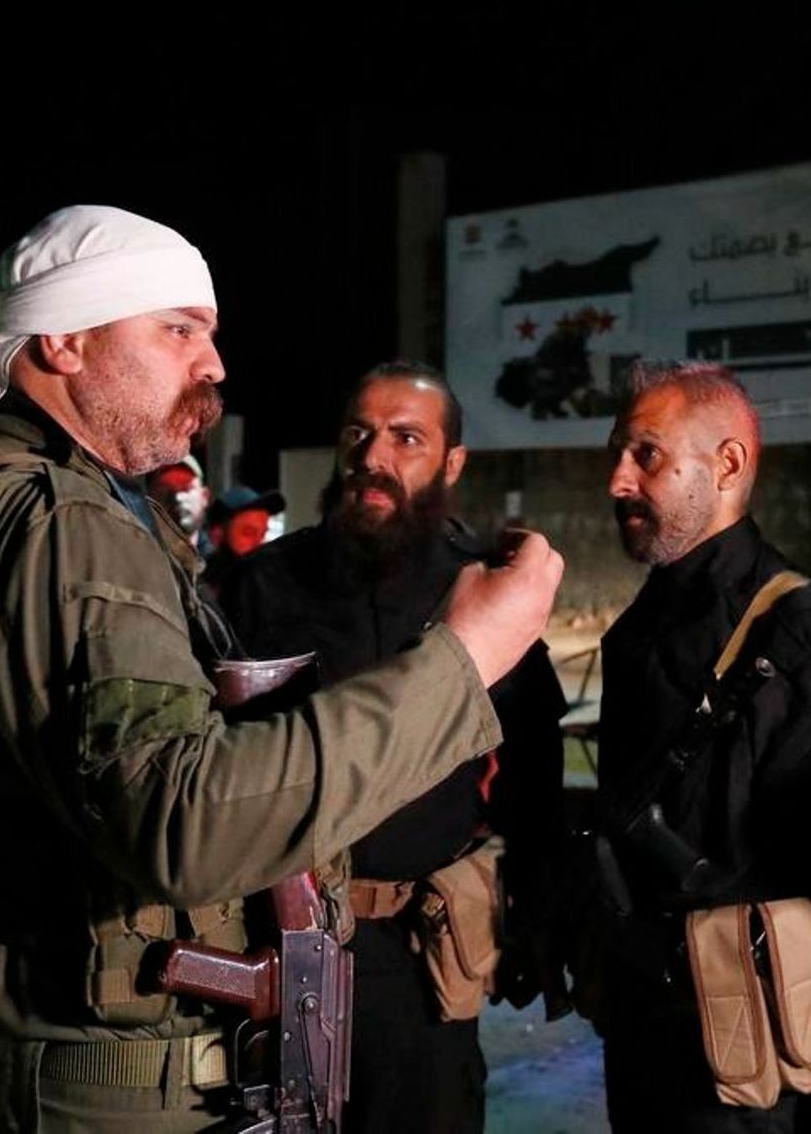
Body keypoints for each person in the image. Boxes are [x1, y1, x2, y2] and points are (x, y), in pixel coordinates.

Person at [0, 204, 563, 1131]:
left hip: (49, 1056)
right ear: (66, 342)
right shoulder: (59, 525)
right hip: (92, 1087)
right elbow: (186, 820)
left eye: (209, 333)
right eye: (178, 330)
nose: (213, 365)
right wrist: (466, 658)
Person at [218, 361, 568, 1134]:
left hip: (422, 968)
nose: (373, 456)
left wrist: (535, 921)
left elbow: (535, 785)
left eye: (406, 438)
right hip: (278, 960)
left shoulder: (484, 598)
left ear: (451, 463)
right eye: (359, 433)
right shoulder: (260, 587)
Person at [591, 362, 811, 1132]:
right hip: (649, 1052)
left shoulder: (807, 639)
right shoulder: (643, 628)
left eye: (646, 454)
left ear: (729, 464)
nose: (616, 480)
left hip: (761, 1087)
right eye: (617, 452)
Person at [201, 484, 284, 583]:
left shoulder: (270, 583)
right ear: (217, 534)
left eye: (263, 534)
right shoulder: (194, 588)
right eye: (249, 533)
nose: (260, 544)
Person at [146, 454, 209, 548]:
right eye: (166, 489)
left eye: (186, 488)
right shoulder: (137, 556)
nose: (177, 497)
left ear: (204, 496)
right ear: (150, 499)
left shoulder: (221, 561)